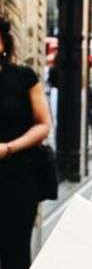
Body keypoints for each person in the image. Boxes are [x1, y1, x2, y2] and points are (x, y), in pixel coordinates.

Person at [0, 16, 52, 269]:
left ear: (3, 43)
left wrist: (8, 147)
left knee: (15, 252)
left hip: (18, 175)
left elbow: (43, 125)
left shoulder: (24, 77)